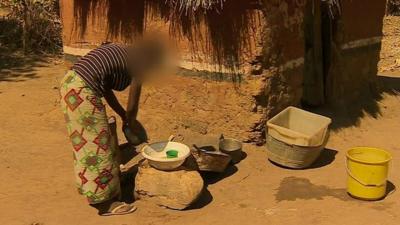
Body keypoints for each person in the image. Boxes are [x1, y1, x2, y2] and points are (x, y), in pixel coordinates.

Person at [60, 39, 166, 216]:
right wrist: (130, 121)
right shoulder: (139, 61)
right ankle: (106, 204)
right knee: (97, 147)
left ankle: (106, 186)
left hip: (70, 84)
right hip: (83, 90)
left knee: (87, 144)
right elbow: (133, 102)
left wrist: (123, 115)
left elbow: (106, 89)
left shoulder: (124, 50)